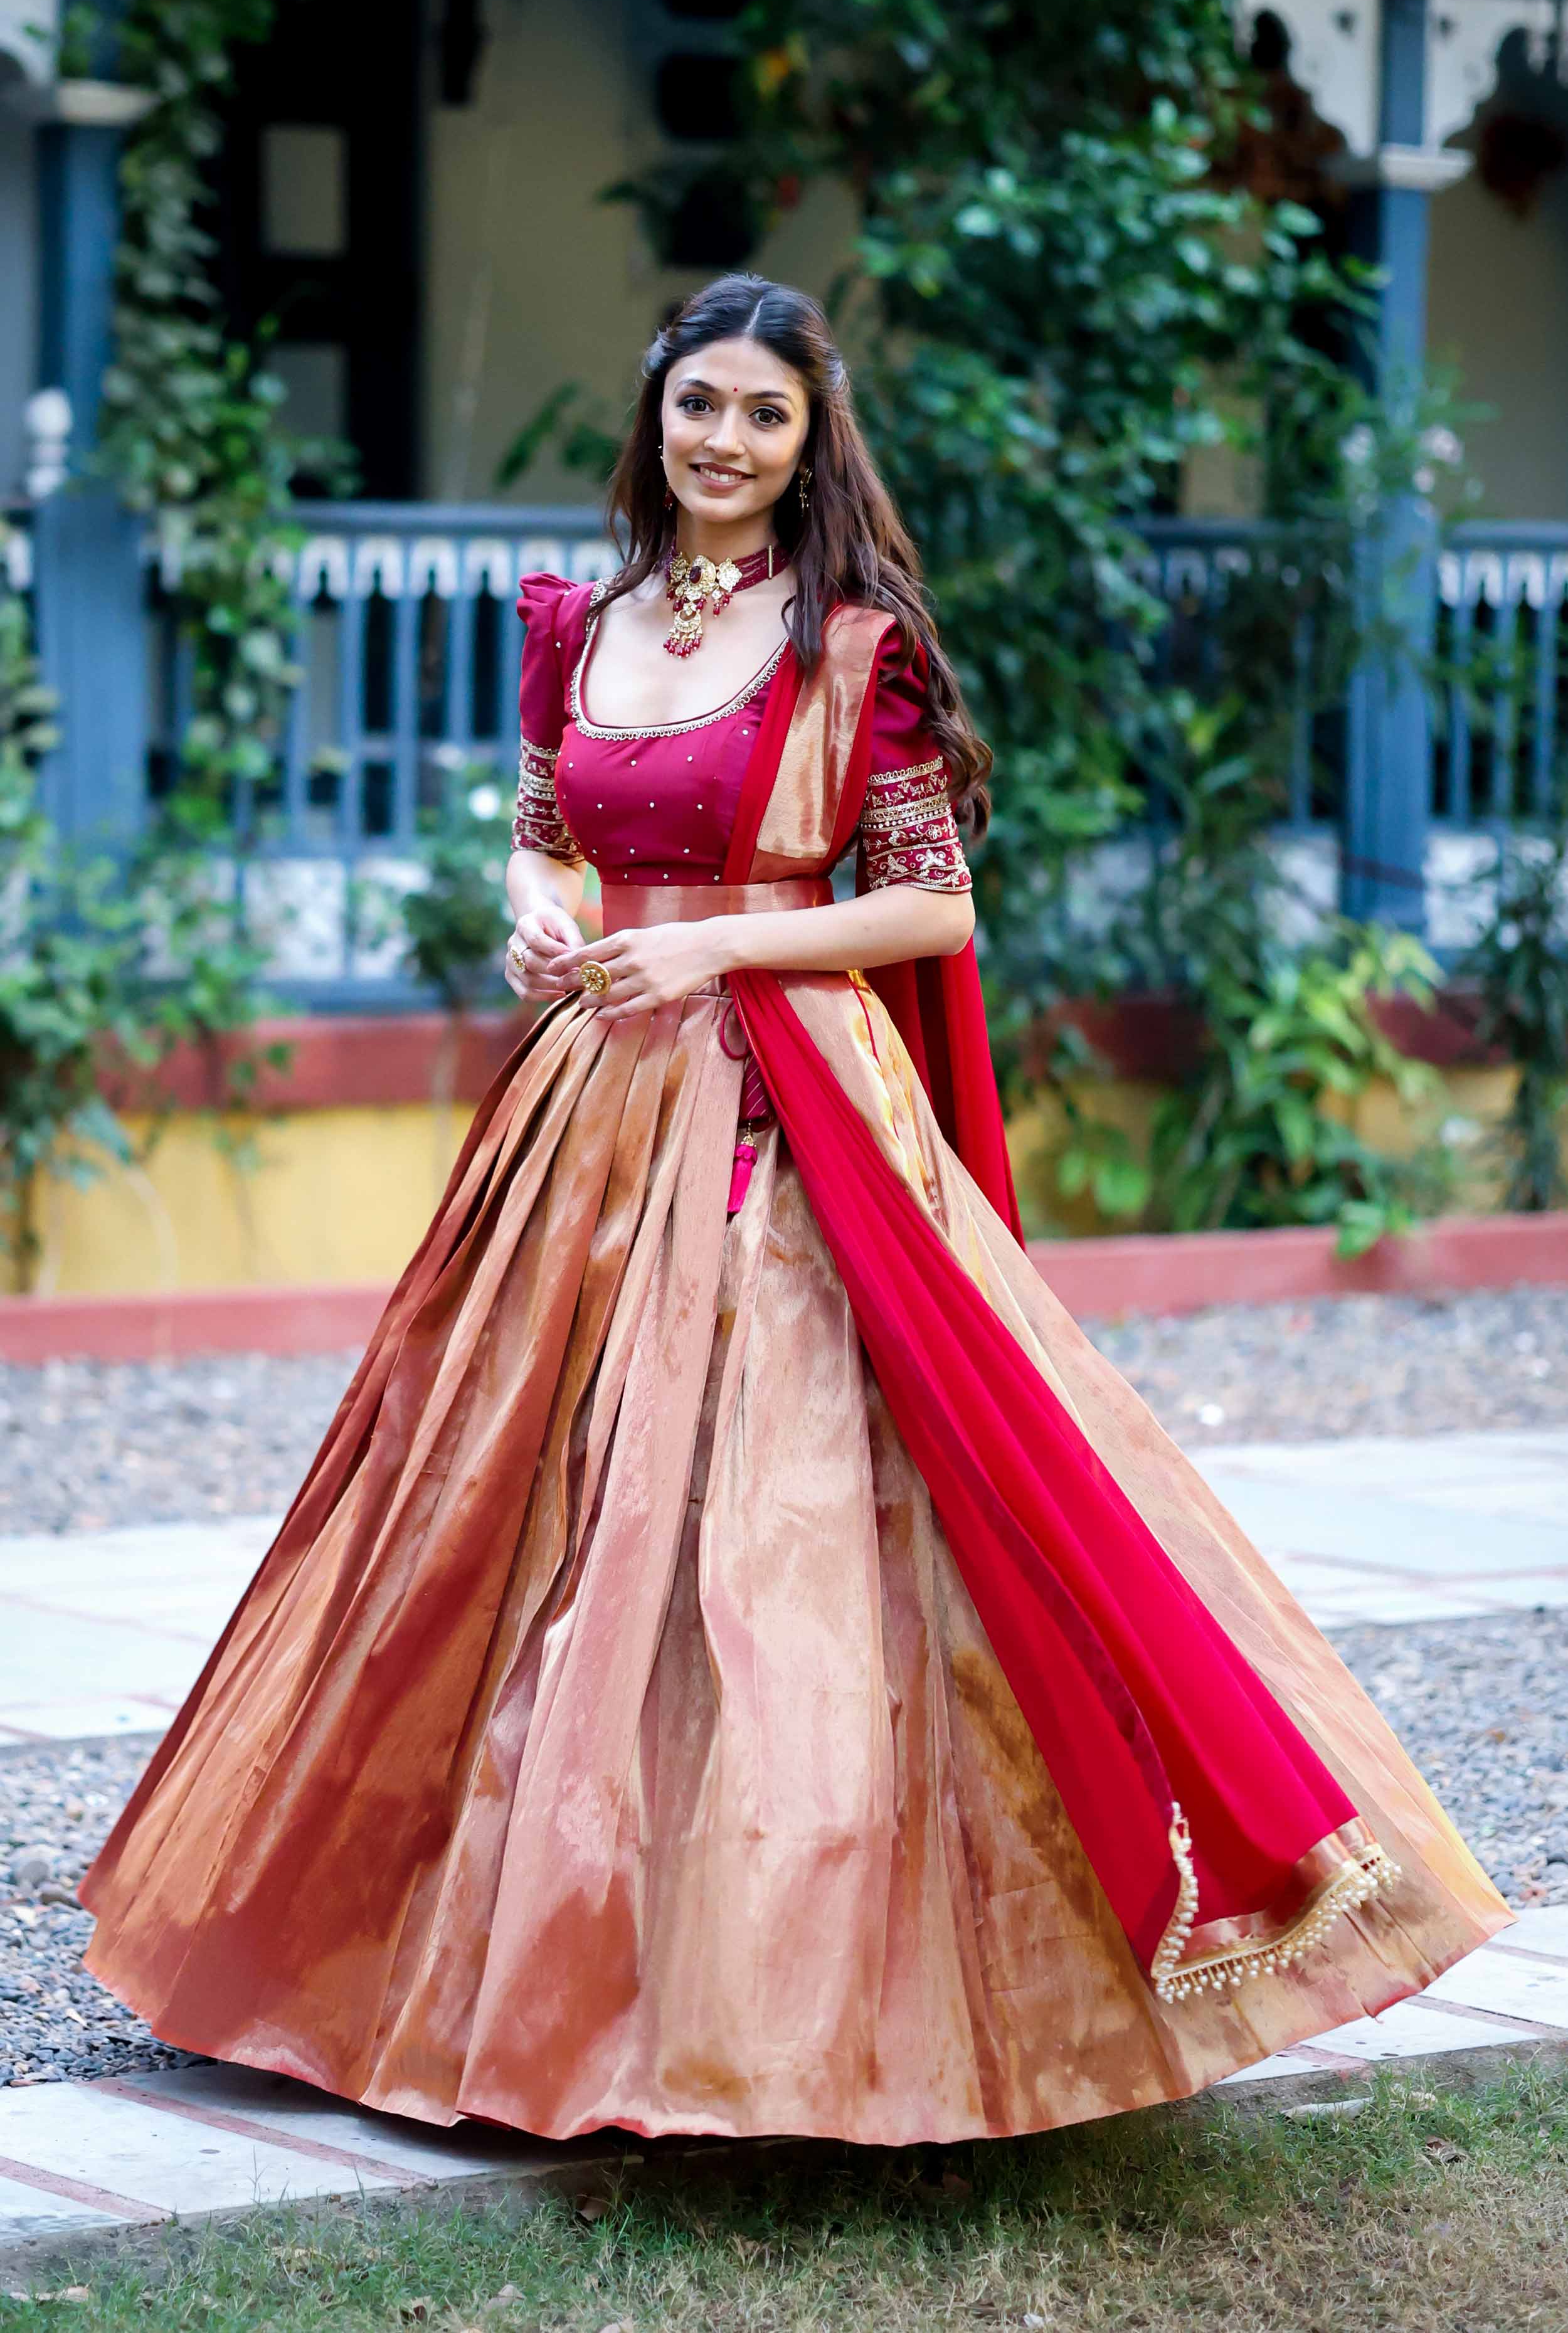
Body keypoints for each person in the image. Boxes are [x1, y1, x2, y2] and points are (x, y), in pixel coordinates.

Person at [79, 275, 1507, 2148]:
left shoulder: (850, 649)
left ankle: (795, 2002)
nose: (723, 443)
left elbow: (931, 910)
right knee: (525, 1506)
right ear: (653, 420)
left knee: (770, 1518)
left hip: (785, 1109)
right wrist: (540, 909)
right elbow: (547, 820)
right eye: (697, 408)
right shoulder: (573, 625)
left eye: (761, 415)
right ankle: (510, 1974)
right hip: (591, 1109)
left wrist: (722, 947)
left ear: (806, 439)